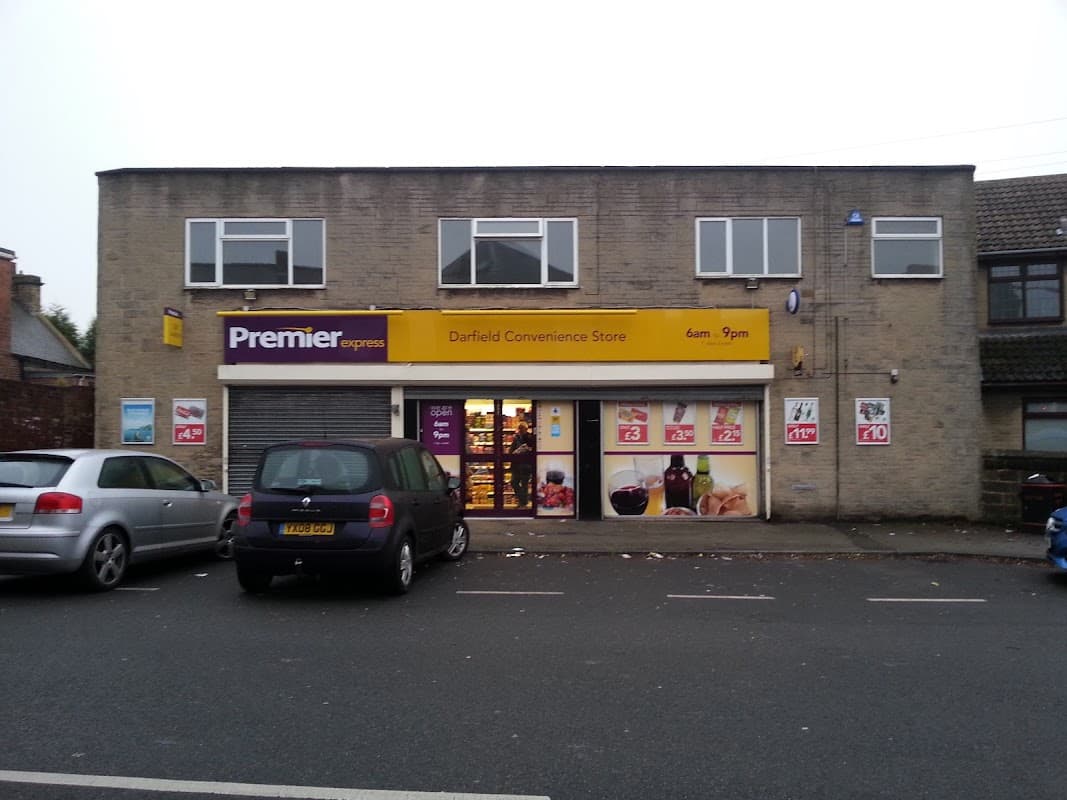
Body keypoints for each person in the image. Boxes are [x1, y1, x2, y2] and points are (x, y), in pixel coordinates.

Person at [508, 422, 535, 508]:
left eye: (522, 429)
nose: (520, 430)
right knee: (514, 482)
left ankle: (522, 503)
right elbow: (511, 451)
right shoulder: (516, 438)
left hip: (526, 465)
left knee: (524, 484)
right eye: (519, 429)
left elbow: (533, 451)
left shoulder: (530, 438)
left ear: (526, 429)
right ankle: (523, 500)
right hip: (517, 465)